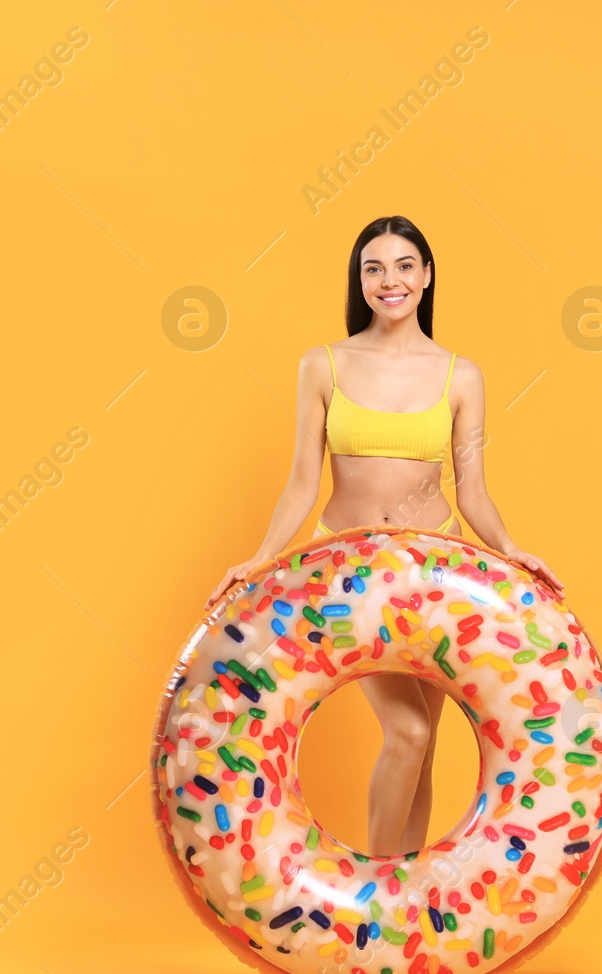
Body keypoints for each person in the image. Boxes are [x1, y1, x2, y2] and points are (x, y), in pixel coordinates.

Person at [204, 215, 564, 856]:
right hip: (350, 572)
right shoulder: (324, 365)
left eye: (404, 266)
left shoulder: (462, 376)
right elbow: (301, 482)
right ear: (360, 281)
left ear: (426, 277)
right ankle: (374, 890)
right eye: (374, 268)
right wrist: (261, 558)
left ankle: (404, 902)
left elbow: (472, 487)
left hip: (435, 571)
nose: (389, 280)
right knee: (408, 733)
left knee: (421, 749)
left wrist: (509, 551)